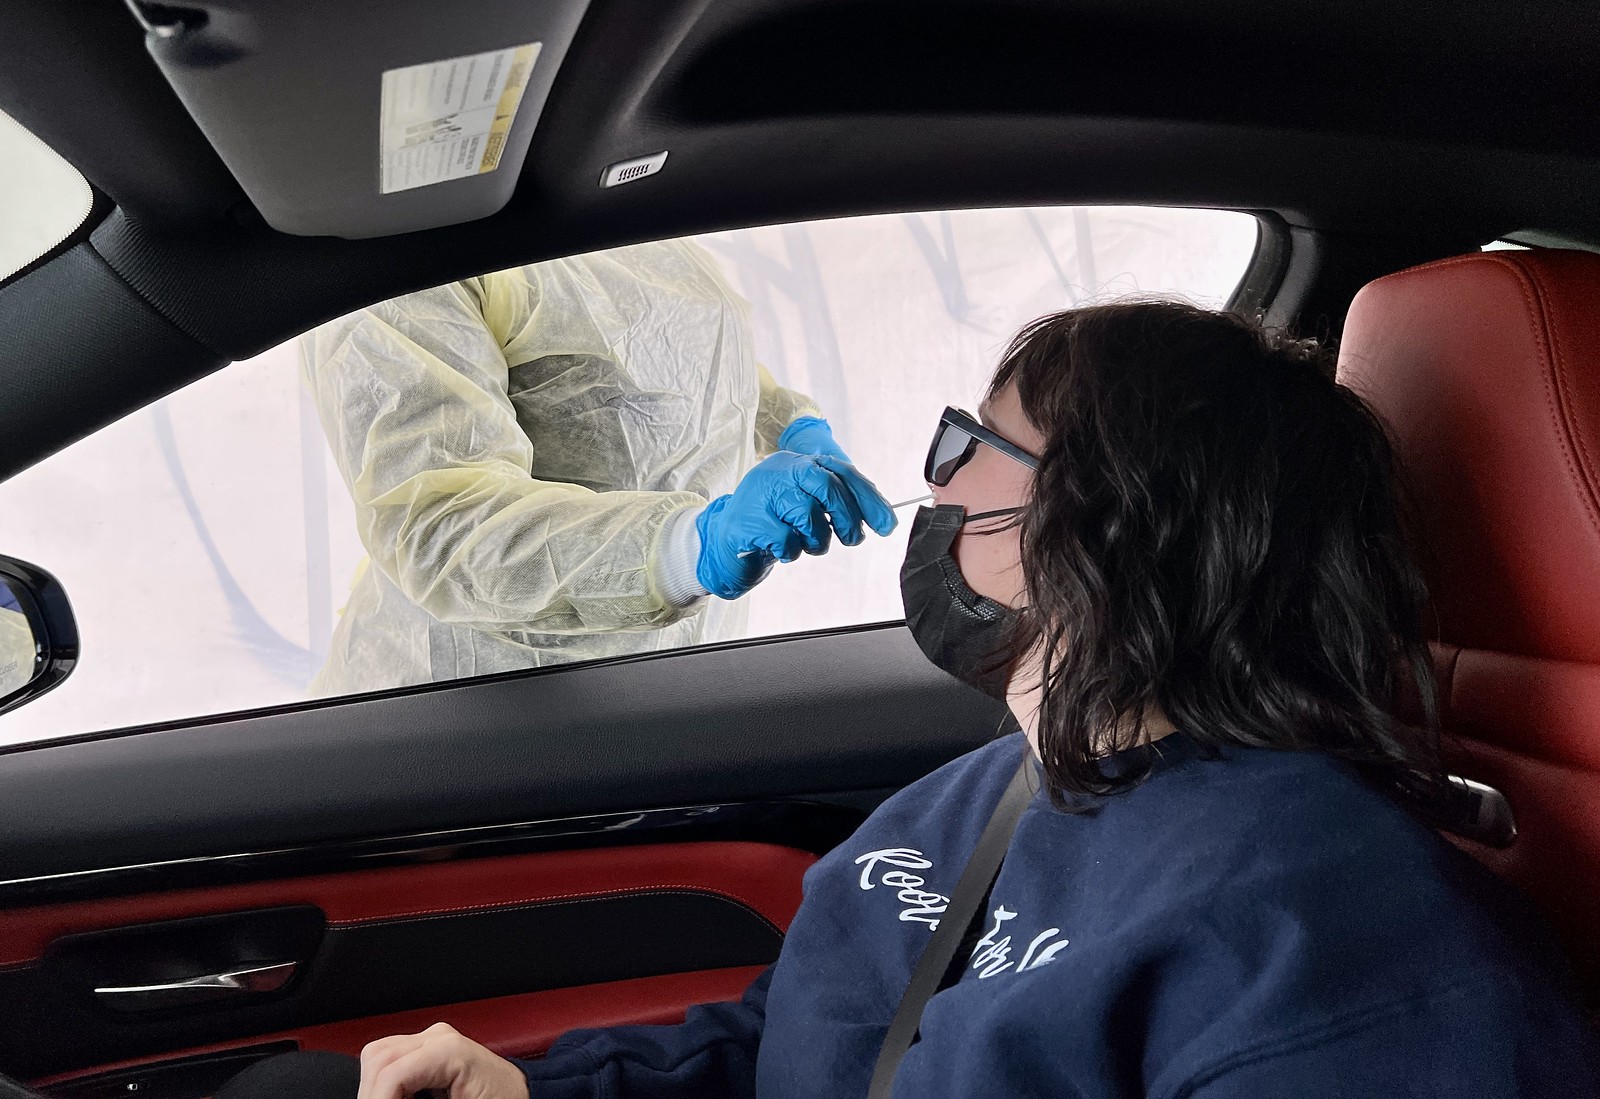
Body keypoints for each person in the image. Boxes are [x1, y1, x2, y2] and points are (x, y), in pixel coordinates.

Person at [226, 302, 1600, 1097]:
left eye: (972, 442)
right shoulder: (980, 795)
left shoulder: (1338, 947)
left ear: (1113, 527)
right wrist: (545, 1086)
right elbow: (813, 1035)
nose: (931, 481)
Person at [301, 238, 895, 694]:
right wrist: (687, 548)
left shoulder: (627, 218)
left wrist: (787, 423)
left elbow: (677, 362)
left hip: (668, 681)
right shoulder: (400, 260)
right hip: (476, 711)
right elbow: (444, 531)